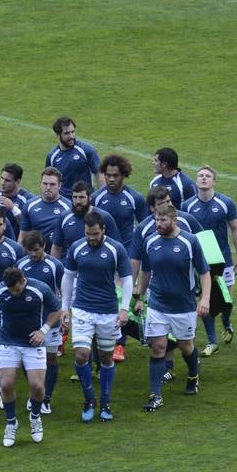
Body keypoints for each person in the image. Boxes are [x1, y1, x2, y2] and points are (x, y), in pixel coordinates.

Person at [134, 203, 211, 412]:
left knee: (186, 346)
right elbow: (146, 271)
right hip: (158, 305)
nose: (158, 224)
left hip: (183, 306)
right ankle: (155, 394)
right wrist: (139, 295)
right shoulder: (150, 241)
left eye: (163, 221)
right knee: (158, 347)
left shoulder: (190, 241)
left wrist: (205, 299)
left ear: (174, 220)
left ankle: (193, 375)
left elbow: (204, 272)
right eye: (156, 220)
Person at [61, 213, 133, 423]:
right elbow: (68, 277)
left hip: (107, 311)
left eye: (95, 234)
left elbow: (127, 279)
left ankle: (106, 401)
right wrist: (65, 307)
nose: (91, 238)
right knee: (81, 355)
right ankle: (89, 399)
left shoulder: (116, 249)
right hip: (83, 309)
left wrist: (124, 309)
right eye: (88, 234)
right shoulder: (77, 248)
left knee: (106, 358)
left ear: (103, 230)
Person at [0, 267, 62, 447]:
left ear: (23, 280)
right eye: (10, 290)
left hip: (34, 345)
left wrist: (44, 330)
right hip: (8, 343)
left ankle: (35, 417)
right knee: (7, 384)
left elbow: (57, 309)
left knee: (38, 387)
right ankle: (11, 423)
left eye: (16, 289)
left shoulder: (39, 289)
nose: (14, 293)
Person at [92, 154, 150, 363]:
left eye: (115, 175)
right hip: (102, 256)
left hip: (126, 256)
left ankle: (119, 344)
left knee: (121, 299)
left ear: (123, 175)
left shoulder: (134, 198)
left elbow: (145, 228)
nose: (111, 179)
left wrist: (142, 256)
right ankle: (102, 339)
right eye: (107, 175)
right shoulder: (96, 197)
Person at [184, 165, 237, 355]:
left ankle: (226, 322)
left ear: (214, 181)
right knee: (205, 300)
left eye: (207, 176)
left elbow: (235, 229)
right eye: (200, 175)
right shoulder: (187, 206)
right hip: (200, 263)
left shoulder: (226, 203)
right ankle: (212, 341)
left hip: (223, 261)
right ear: (196, 180)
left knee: (226, 301)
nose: (203, 178)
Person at [16, 231, 66, 414]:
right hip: (27, 321)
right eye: (29, 251)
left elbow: (64, 290)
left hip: (50, 321)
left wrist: (64, 314)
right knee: (27, 359)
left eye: (36, 250)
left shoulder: (56, 265)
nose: (33, 254)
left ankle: (46, 398)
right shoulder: (21, 265)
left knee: (50, 359)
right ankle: (35, 392)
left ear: (44, 246)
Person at [56, 180, 121, 257]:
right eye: (75, 197)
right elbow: (57, 247)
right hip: (73, 266)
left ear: (90, 197)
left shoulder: (104, 217)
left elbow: (116, 247)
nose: (78, 201)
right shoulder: (64, 217)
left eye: (81, 197)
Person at [19, 166, 70, 252]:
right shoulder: (29, 206)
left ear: (60, 185)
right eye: (45, 184)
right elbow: (23, 236)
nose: (48, 187)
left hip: (61, 259)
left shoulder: (68, 208)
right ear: (40, 184)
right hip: (35, 257)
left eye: (52, 184)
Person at [46, 115, 102, 192]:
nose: (71, 136)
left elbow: (99, 174)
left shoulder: (86, 150)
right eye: (67, 133)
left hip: (84, 199)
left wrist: (101, 198)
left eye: (73, 132)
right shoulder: (52, 156)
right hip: (65, 201)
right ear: (58, 135)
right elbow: (48, 180)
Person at [0, 162, 32, 238]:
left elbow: (30, 226)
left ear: (18, 181)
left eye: (7, 180)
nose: (3, 183)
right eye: (2, 178)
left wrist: (13, 208)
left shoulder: (28, 200)